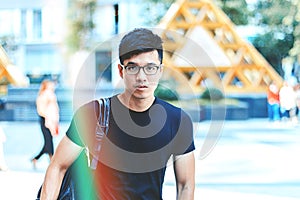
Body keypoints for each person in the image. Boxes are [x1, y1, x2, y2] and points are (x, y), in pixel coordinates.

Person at [40, 28, 195, 199]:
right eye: (133, 68)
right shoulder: (93, 114)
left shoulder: (178, 121)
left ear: (160, 70)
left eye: (150, 68)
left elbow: (185, 185)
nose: (142, 77)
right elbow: (57, 167)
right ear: (121, 71)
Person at [31, 79, 60, 168]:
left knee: (48, 142)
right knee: (48, 141)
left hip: (50, 120)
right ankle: (52, 160)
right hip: (45, 120)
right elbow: (41, 110)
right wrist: (48, 116)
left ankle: (36, 159)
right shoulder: (44, 95)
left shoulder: (49, 94)